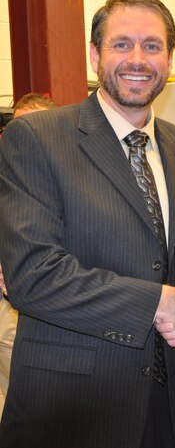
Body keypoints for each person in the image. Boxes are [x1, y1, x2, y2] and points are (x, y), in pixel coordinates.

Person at [0, 0, 175, 448]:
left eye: (152, 46)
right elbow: (32, 275)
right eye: (122, 44)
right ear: (95, 55)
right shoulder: (37, 138)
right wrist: (157, 304)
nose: (138, 59)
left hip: (171, 403)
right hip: (73, 406)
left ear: (169, 58)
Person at [0, 93, 57, 420]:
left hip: (27, 313)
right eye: (15, 126)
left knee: (34, 410)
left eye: (30, 126)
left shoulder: (66, 178)